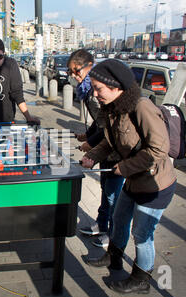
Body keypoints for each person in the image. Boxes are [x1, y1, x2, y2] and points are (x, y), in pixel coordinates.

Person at [80, 59, 177, 294]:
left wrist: (124, 167)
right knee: (120, 221)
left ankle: (141, 279)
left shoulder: (141, 107)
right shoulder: (113, 108)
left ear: (116, 86)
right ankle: (113, 258)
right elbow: (110, 141)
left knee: (142, 234)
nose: (95, 93)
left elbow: (158, 149)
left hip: (156, 185)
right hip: (134, 181)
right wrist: (92, 155)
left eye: (98, 88)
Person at [67, 50, 125, 249]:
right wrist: (88, 138)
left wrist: (91, 144)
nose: (74, 76)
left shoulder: (98, 90)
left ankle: (112, 233)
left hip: (118, 151)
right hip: (106, 148)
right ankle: (101, 224)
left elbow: (107, 127)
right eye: (71, 72)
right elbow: (99, 122)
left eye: (77, 71)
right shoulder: (89, 90)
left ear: (90, 65)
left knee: (113, 194)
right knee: (105, 189)